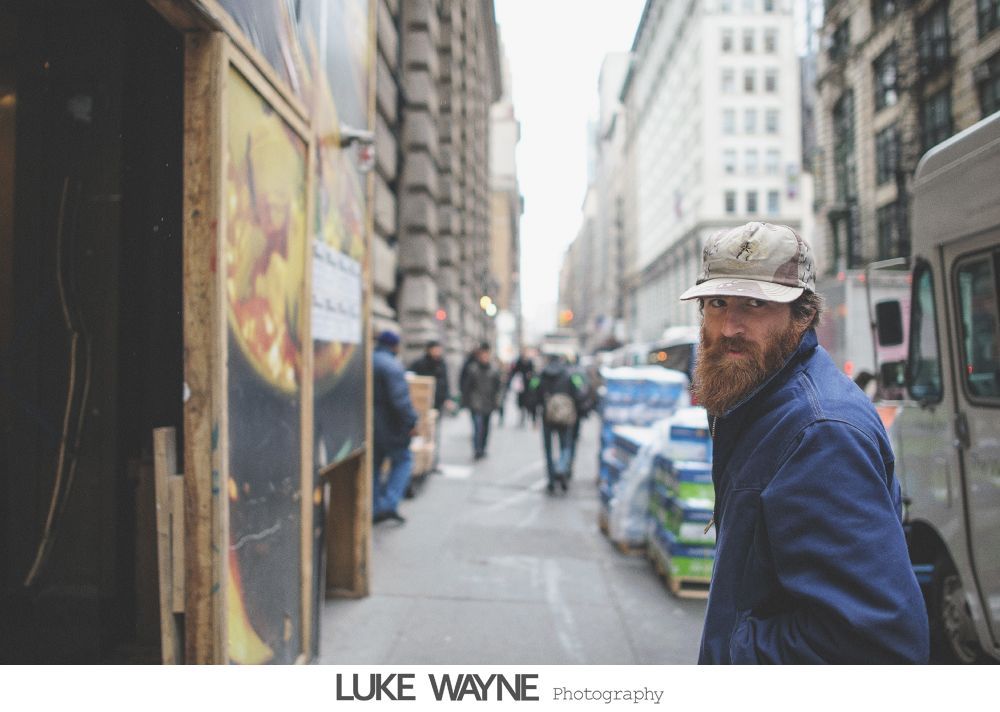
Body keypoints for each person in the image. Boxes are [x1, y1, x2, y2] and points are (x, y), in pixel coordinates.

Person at [679, 221, 928, 663]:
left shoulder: (820, 433)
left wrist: (732, 653)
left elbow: (878, 639)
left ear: (804, 314)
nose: (730, 326)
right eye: (718, 302)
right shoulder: (759, 398)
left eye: (756, 303)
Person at [372, 330, 418, 524]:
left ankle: (375, 507)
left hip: (371, 426)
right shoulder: (392, 366)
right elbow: (400, 400)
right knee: (404, 460)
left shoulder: (370, 360)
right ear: (394, 345)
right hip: (390, 427)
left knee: (374, 467)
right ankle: (388, 505)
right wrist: (412, 421)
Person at [527, 354, 587, 493]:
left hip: (547, 416)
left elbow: (532, 389)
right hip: (565, 417)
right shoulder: (570, 374)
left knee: (548, 449)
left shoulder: (541, 374)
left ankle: (551, 480)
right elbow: (580, 392)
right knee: (565, 446)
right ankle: (562, 469)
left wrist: (534, 413)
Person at [408, 340, 450, 472]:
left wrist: (446, 398)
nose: (437, 352)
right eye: (435, 349)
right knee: (421, 434)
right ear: (428, 350)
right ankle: (420, 465)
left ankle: (433, 462)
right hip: (421, 407)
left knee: (434, 435)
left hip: (437, 405)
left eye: (439, 349)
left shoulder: (442, 364)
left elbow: (445, 382)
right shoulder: (419, 364)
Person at [459, 342, 502, 459]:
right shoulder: (473, 369)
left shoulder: (494, 370)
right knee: (478, 427)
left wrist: (497, 403)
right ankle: (477, 449)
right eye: (482, 355)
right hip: (476, 403)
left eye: (486, 355)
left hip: (489, 403)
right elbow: (466, 387)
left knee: (486, 428)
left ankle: (483, 448)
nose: (484, 357)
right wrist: (465, 402)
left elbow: (498, 388)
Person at [509, 348, 536, 426]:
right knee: (521, 402)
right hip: (520, 385)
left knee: (527, 402)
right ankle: (522, 417)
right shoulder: (518, 361)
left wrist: (530, 376)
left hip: (527, 386)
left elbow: (533, 373)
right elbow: (514, 371)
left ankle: (526, 416)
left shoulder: (530, 362)